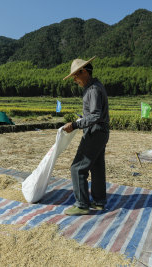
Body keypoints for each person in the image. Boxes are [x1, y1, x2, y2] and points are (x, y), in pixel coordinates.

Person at [62, 56, 110, 216]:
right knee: (96, 167)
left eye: (76, 75)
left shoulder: (93, 90)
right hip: (100, 132)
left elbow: (95, 115)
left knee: (77, 168)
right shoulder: (94, 87)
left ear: (84, 72)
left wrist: (75, 124)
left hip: (95, 132)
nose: (75, 79)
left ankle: (82, 204)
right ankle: (99, 202)